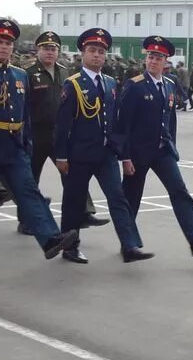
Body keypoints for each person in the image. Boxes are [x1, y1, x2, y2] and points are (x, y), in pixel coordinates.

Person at [0, 18, 77, 271]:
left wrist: (27, 144)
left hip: (14, 147)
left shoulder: (20, 75)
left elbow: (24, 115)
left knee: (29, 192)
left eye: (9, 43)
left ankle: (50, 238)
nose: (4, 47)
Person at [54, 28, 152, 264]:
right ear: (83, 54)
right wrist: (61, 155)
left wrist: (123, 154)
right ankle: (70, 246)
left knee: (118, 198)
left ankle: (130, 246)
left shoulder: (110, 83)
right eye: (92, 51)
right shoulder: (73, 84)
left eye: (101, 52)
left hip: (106, 153)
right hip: (80, 153)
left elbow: (115, 121)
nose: (97, 55)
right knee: (74, 201)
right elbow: (62, 124)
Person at [116, 35, 193, 256]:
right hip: (137, 153)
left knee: (179, 190)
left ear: (166, 62)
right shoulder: (134, 86)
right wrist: (125, 157)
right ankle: (129, 245)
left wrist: (172, 144)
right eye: (151, 57)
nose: (153, 61)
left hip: (163, 150)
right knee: (131, 198)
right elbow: (123, 124)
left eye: (158, 58)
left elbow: (170, 118)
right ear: (146, 59)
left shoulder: (170, 85)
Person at [21, 30, 105, 234]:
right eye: (45, 49)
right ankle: (26, 221)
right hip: (35, 132)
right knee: (31, 178)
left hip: (58, 132)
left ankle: (84, 212)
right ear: (37, 51)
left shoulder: (64, 71)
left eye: (53, 49)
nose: (50, 52)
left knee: (72, 174)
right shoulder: (27, 72)